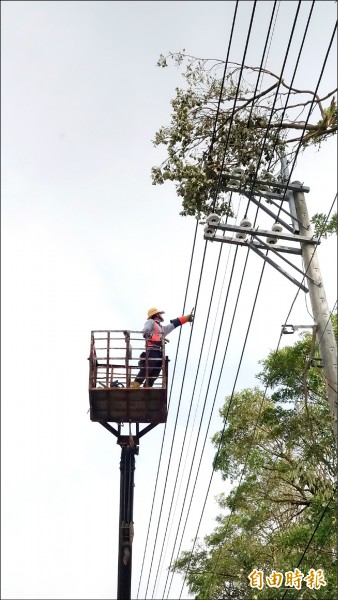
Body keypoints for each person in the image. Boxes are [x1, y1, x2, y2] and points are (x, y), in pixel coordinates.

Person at [130, 307, 194, 388]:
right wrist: (156, 340)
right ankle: (136, 384)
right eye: (159, 313)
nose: (161, 315)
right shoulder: (151, 322)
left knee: (155, 373)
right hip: (152, 350)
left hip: (159, 352)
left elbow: (173, 325)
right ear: (156, 314)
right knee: (148, 368)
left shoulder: (161, 328)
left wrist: (185, 318)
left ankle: (147, 388)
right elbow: (145, 332)